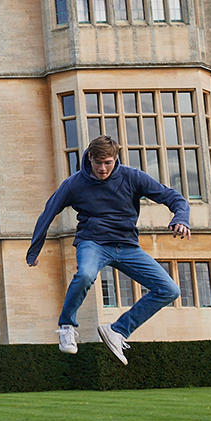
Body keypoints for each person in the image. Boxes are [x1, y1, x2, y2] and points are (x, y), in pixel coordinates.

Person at [26, 135, 188, 364]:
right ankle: (66, 327)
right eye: (98, 163)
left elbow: (173, 197)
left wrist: (181, 217)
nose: (102, 169)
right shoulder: (74, 183)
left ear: (116, 159)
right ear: (89, 157)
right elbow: (49, 212)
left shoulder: (133, 177)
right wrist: (34, 251)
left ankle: (118, 331)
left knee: (169, 290)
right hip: (93, 242)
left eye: (108, 163)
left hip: (127, 246)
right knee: (85, 275)